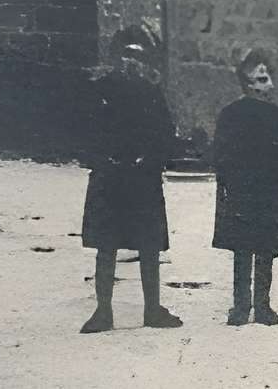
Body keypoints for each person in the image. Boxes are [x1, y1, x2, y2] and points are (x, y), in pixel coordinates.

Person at [78, 25, 182, 333]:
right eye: (125, 55)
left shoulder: (151, 93)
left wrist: (149, 161)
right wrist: (102, 159)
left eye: (136, 56)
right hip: (109, 178)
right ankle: (103, 311)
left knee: (149, 247)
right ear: (115, 58)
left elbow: (165, 134)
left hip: (143, 178)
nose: (130, 62)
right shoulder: (100, 91)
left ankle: (153, 310)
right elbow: (85, 132)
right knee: (105, 246)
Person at [212, 48, 278, 326]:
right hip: (242, 189)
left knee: (264, 249)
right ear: (248, 84)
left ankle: (261, 305)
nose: (268, 84)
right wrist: (227, 184)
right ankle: (242, 306)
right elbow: (221, 155)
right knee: (244, 248)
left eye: (268, 77)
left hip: (267, 190)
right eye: (261, 79)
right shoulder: (231, 115)